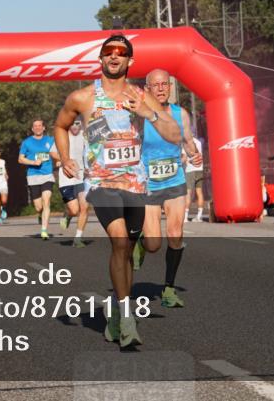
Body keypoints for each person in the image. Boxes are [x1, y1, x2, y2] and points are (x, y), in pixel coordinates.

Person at [55, 34, 182, 347]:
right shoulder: (82, 98)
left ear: (130, 61)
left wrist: (149, 113)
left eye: (121, 52)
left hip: (135, 183)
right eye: (108, 52)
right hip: (101, 183)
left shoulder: (140, 96)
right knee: (120, 242)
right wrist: (67, 158)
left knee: (143, 246)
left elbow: (174, 132)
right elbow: (60, 125)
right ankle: (127, 317)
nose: (114, 56)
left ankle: (115, 310)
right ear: (100, 59)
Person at [134, 69, 202, 309]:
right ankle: (142, 245)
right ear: (148, 88)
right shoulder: (140, 114)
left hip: (174, 180)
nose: (161, 88)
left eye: (165, 84)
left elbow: (188, 141)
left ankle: (169, 289)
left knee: (175, 234)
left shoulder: (179, 113)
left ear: (170, 87)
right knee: (154, 244)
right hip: (149, 183)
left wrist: (194, 154)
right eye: (156, 85)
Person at [53, 119, 89, 247]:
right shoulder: (62, 136)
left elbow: (93, 151)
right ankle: (67, 215)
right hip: (66, 177)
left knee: (84, 207)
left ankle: (77, 238)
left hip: (82, 176)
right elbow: (52, 152)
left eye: (77, 124)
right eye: (72, 124)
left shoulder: (85, 136)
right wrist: (63, 159)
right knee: (74, 210)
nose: (74, 126)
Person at [19, 119, 56, 240]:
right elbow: (20, 159)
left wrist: (60, 160)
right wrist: (33, 162)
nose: (38, 128)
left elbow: (56, 152)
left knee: (46, 201)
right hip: (33, 175)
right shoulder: (27, 142)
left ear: (44, 128)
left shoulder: (50, 140)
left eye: (40, 125)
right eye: (35, 126)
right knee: (38, 207)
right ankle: (40, 215)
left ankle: (44, 230)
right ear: (32, 129)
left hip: (47, 175)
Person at [184, 135, 205, 222]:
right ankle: (199, 216)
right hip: (200, 169)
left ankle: (185, 217)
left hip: (190, 170)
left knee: (188, 193)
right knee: (199, 193)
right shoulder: (199, 142)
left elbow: (185, 158)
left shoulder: (186, 143)